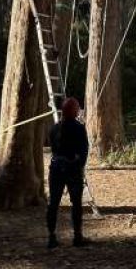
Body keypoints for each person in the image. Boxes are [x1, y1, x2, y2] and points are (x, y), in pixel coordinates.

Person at [46, 97, 89, 249]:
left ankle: (51, 237)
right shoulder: (79, 128)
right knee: (76, 203)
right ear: (75, 111)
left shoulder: (54, 128)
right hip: (72, 169)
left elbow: (54, 149)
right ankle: (77, 236)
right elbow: (83, 151)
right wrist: (79, 166)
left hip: (56, 168)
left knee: (53, 203)